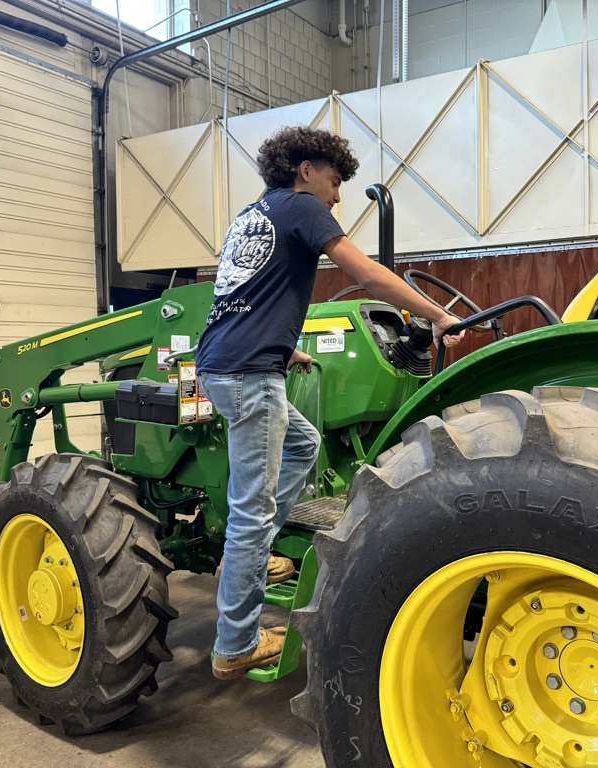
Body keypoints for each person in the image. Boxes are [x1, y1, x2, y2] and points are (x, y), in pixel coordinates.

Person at [195, 125, 465, 680]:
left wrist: (283, 346)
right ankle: (235, 643)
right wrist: (437, 315)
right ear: (305, 169)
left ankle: (246, 558)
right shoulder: (303, 208)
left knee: (305, 442)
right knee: (252, 508)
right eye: (335, 180)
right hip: (250, 378)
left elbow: (239, 296)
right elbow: (364, 273)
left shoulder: (253, 215)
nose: (338, 194)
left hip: (222, 365)